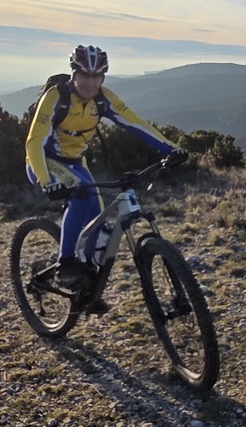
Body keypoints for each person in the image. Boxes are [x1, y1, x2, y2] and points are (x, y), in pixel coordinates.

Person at [25, 44, 184, 289]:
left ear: (103, 76)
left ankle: (87, 286)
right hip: (45, 163)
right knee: (82, 197)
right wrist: (48, 182)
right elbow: (35, 142)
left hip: (78, 163)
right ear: (74, 74)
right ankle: (65, 263)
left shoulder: (103, 98)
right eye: (84, 75)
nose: (90, 82)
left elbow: (134, 122)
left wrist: (169, 148)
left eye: (96, 76)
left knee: (99, 223)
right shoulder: (57, 97)